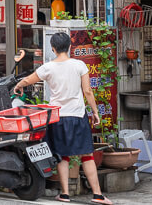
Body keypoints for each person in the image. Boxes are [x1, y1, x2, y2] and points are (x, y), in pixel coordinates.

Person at [13, 32, 112, 205]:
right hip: (77, 115)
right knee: (87, 155)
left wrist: (18, 85)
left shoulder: (48, 67)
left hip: (58, 117)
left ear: (53, 48)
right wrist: (95, 111)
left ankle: (65, 194)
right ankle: (97, 194)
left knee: (62, 155)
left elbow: (29, 79)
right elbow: (87, 91)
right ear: (70, 46)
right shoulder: (79, 64)